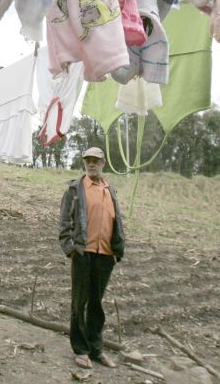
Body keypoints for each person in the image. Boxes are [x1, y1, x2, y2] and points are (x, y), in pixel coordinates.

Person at [59, 146, 125, 369]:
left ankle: (96, 349)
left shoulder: (109, 189)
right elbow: (65, 223)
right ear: (84, 163)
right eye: (88, 160)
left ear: (103, 163)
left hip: (105, 255)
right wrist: (70, 249)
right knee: (80, 303)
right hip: (83, 254)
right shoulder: (75, 190)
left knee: (96, 304)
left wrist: (118, 250)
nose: (92, 163)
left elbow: (117, 221)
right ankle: (80, 350)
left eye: (96, 160)